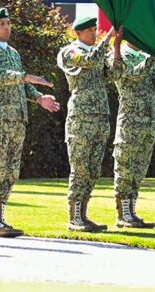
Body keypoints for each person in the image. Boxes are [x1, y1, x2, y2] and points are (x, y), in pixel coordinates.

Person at [0, 8, 59, 237]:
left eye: (9, 22)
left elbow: (21, 83)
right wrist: (26, 76)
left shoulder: (13, 52)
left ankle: (1, 219)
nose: (8, 27)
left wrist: (39, 97)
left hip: (17, 120)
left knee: (10, 172)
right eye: (2, 23)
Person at [58, 16, 113, 232]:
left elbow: (113, 74)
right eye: (90, 30)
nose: (94, 33)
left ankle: (83, 214)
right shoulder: (70, 51)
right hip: (81, 118)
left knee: (93, 170)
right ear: (78, 33)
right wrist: (109, 37)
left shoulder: (99, 53)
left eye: (95, 29)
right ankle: (74, 217)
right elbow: (88, 60)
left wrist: (116, 50)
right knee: (80, 168)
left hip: (100, 116)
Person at [108, 29, 155, 228]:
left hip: (148, 122)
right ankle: (123, 214)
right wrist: (153, 59)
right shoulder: (119, 56)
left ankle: (132, 211)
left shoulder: (146, 58)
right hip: (130, 123)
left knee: (139, 170)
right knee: (125, 169)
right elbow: (130, 74)